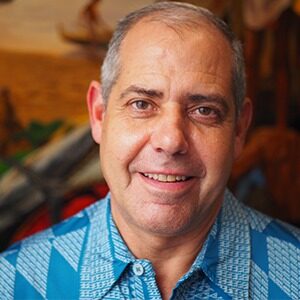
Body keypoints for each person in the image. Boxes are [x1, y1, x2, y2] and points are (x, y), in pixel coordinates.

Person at [0, 2, 299, 299]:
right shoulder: (13, 282)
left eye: (204, 110)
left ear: (238, 129)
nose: (170, 141)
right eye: (142, 104)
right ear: (99, 115)